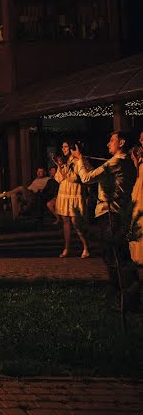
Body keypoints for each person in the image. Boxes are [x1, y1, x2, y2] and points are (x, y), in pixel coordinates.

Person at [72, 131, 139, 312]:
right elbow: (95, 174)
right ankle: (129, 297)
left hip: (110, 213)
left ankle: (125, 300)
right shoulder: (125, 163)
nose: (108, 144)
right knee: (120, 256)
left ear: (122, 142)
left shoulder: (116, 162)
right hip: (118, 213)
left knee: (114, 258)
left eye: (112, 140)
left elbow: (86, 178)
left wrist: (79, 159)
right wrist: (82, 160)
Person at [53, 141, 90, 258]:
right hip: (64, 192)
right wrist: (59, 166)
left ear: (72, 147)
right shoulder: (65, 161)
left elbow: (75, 178)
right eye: (62, 147)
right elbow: (59, 179)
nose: (63, 149)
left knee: (76, 221)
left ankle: (86, 247)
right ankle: (67, 248)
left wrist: (67, 168)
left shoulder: (79, 160)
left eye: (66, 146)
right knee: (65, 221)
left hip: (74, 192)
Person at [129, 145, 143, 265]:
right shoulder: (140, 156)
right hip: (139, 188)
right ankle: (137, 256)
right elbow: (137, 174)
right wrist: (135, 159)